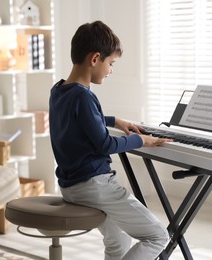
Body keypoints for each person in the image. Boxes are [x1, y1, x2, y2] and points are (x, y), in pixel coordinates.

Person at [49, 20, 172, 260]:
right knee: (158, 236)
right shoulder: (84, 97)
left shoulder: (59, 90)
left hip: (70, 187)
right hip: (95, 186)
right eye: (111, 63)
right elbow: (105, 144)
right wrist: (142, 141)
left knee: (118, 240)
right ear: (95, 59)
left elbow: (77, 120)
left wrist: (115, 121)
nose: (111, 70)